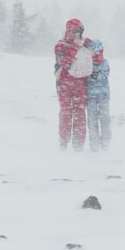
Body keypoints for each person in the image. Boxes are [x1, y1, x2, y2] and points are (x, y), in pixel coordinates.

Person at [54, 18, 93, 151]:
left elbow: (97, 53)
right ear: (69, 31)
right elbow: (63, 62)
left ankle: (78, 144)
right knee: (66, 112)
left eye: (79, 31)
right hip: (64, 84)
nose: (77, 34)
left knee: (80, 113)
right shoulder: (61, 45)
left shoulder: (85, 44)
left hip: (80, 84)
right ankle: (63, 142)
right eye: (75, 31)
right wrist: (74, 48)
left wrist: (91, 45)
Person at [85, 39, 111, 152]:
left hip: (103, 95)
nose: (89, 52)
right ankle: (93, 143)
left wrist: (93, 75)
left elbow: (104, 75)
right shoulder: (86, 62)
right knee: (92, 120)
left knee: (104, 118)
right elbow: (83, 75)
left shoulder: (104, 62)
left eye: (91, 50)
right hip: (90, 96)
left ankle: (106, 142)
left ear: (96, 50)